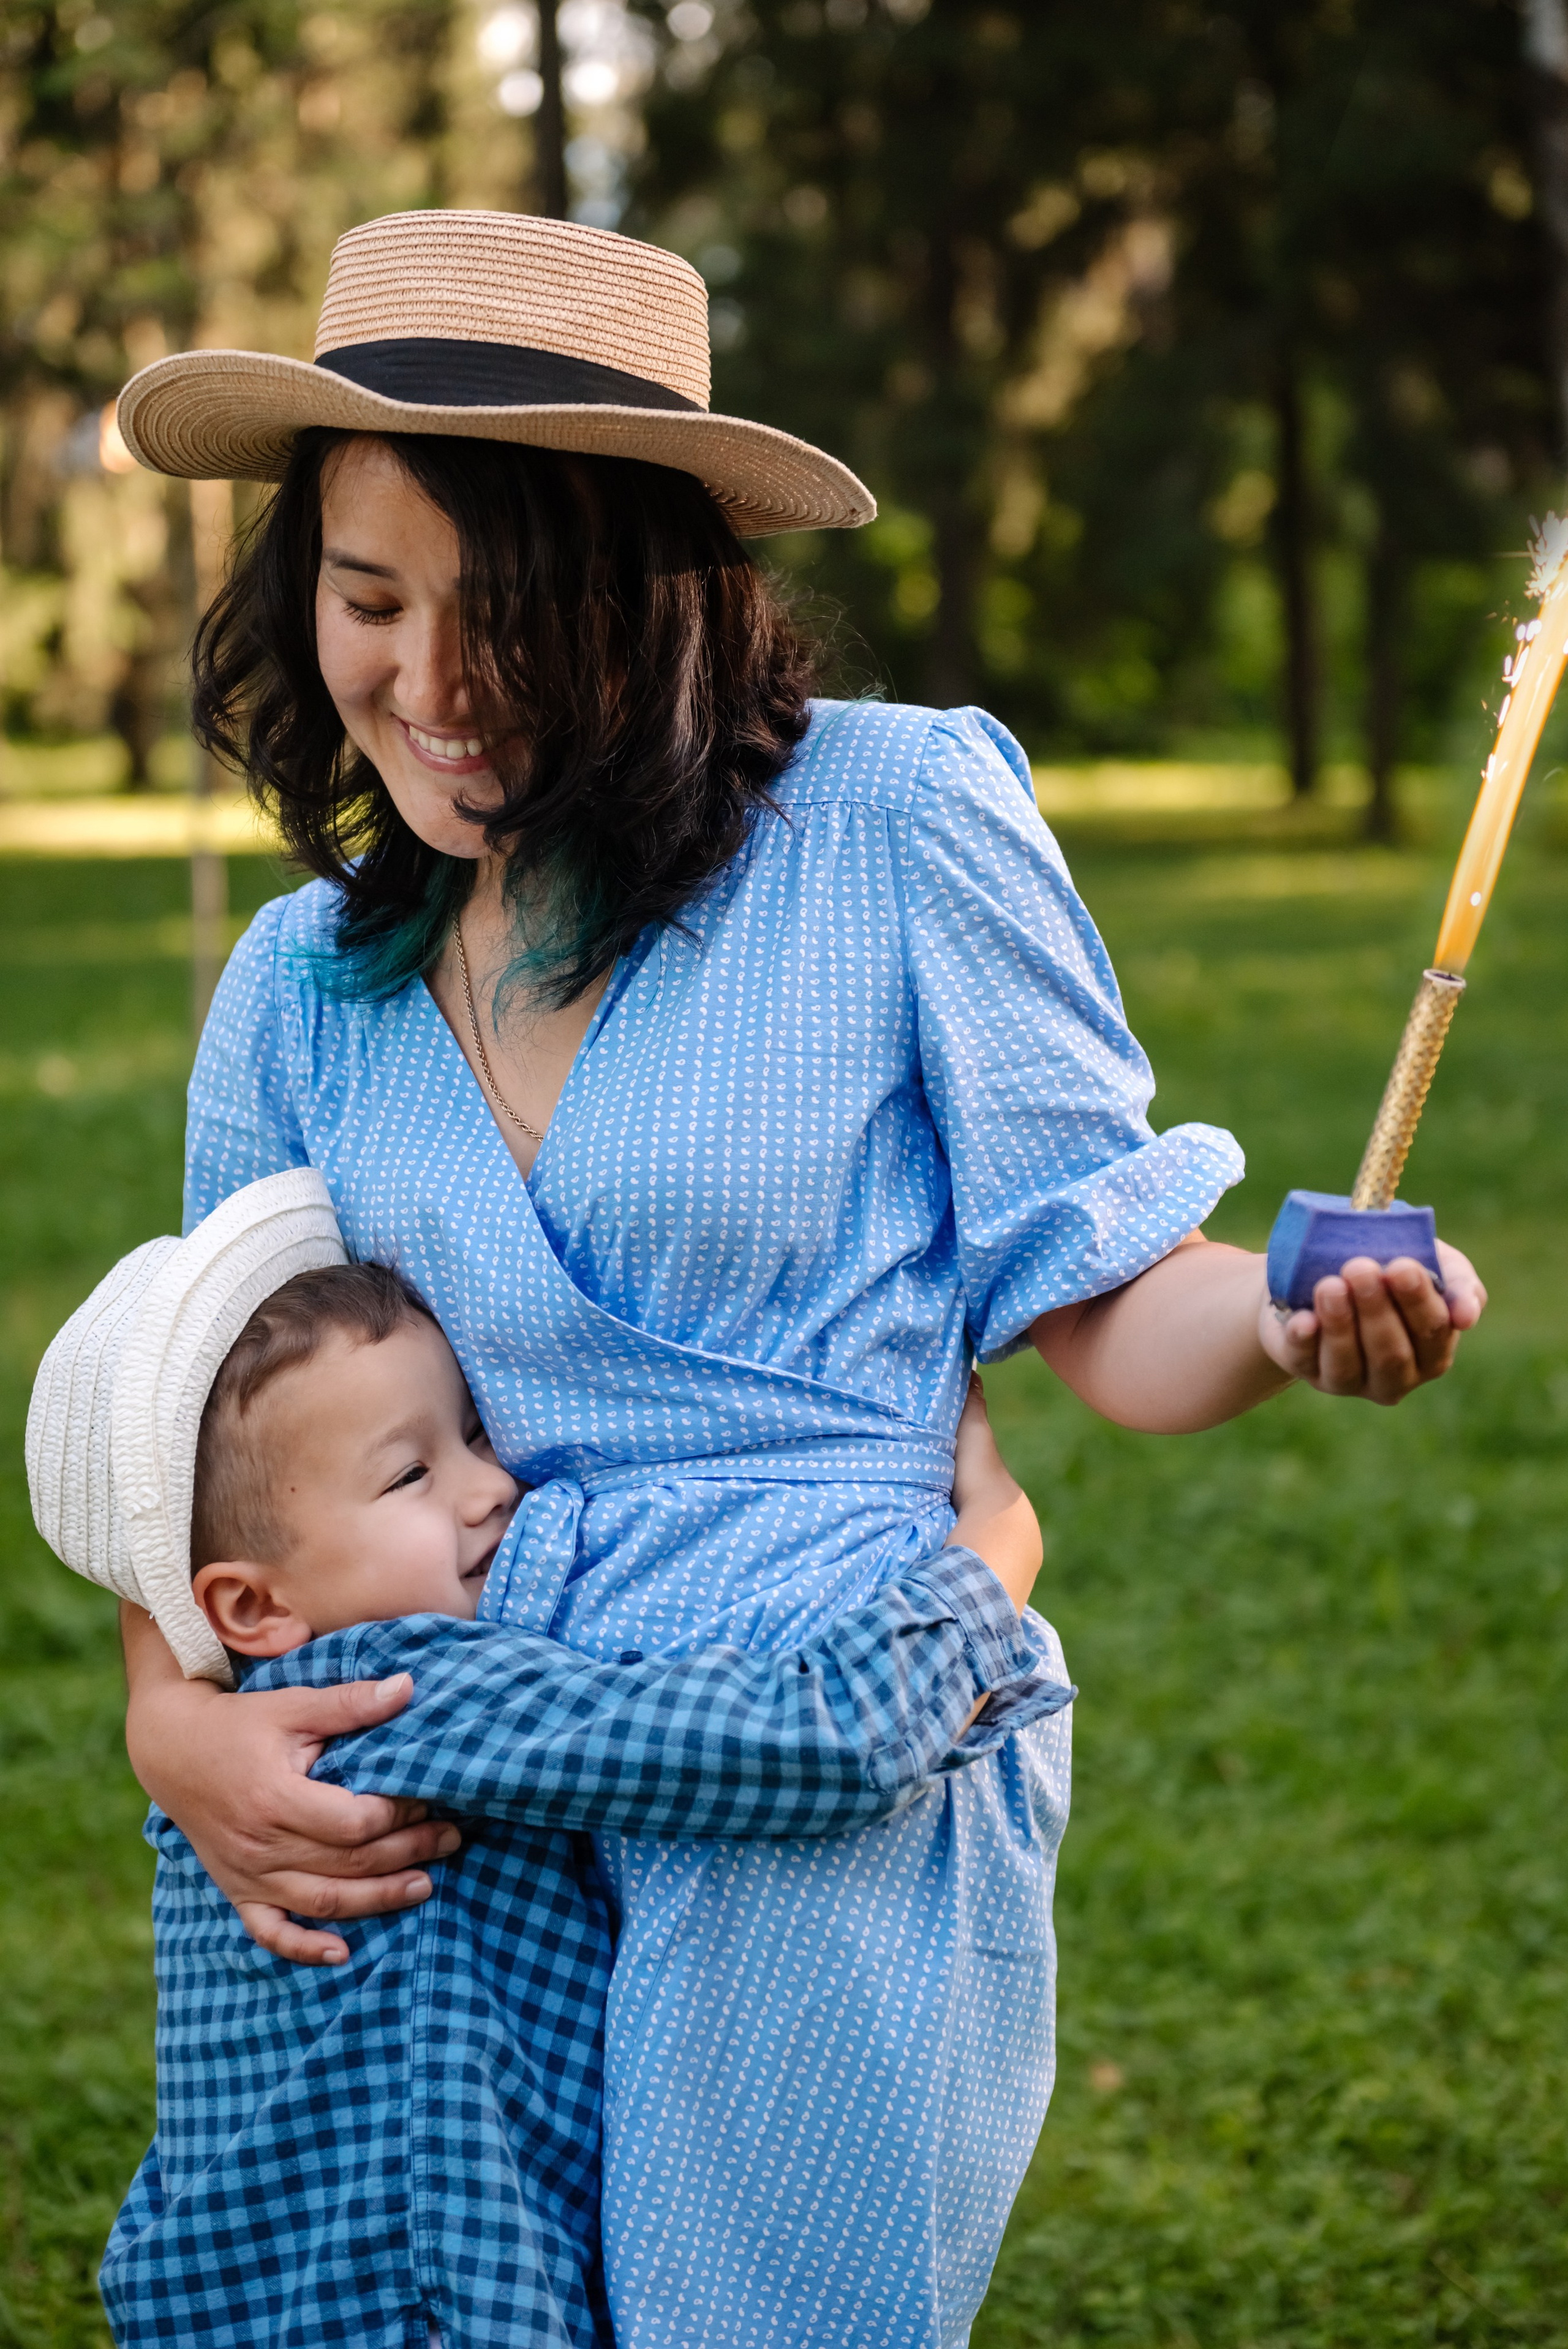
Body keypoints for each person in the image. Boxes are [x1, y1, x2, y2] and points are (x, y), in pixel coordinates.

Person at [111, 209, 1485, 2348]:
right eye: (372, 601)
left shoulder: (900, 821)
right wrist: (163, 1716)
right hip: (465, 1763)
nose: (438, 686)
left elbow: (1111, 1292)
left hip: (820, 1734)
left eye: (520, 615)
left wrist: (1297, 1322)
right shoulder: (300, 981)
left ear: (669, 598)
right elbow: (181, 1406)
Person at [27, 1169, 1061, 2349]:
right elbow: (804, 1742)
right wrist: (987, 1568)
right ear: (252, 1606)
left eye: (472, 1433)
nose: (494, 1486)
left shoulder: (241, 1743)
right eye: (413, 1473)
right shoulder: (401, 1693)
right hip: (420, 2297)